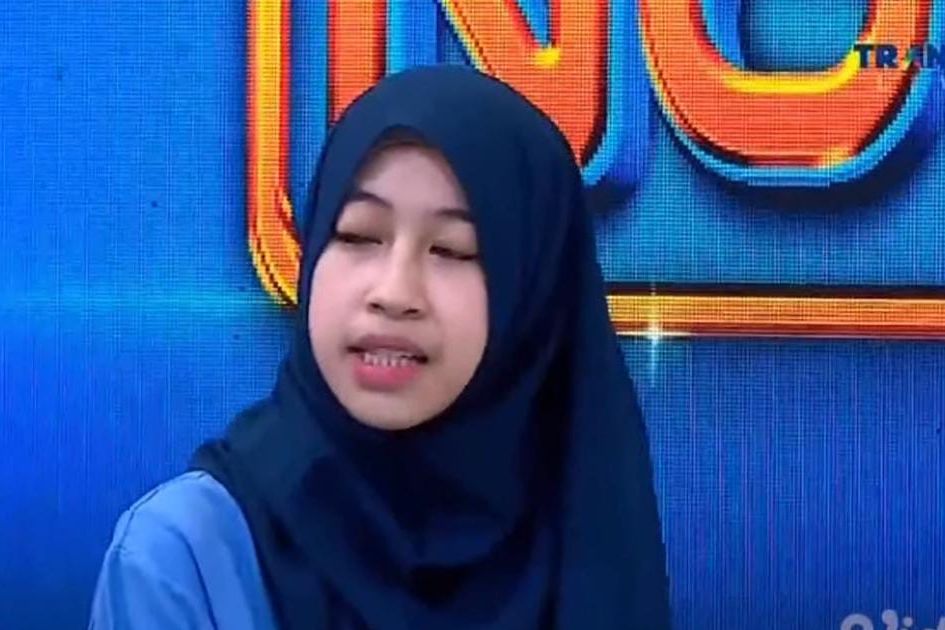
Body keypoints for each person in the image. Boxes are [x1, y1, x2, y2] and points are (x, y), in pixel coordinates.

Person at [88, 65, 672, 630]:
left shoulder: (586, 537)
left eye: (452, 250)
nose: (393, 293)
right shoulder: (186, 559)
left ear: (530, 294)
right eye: (359, 236)